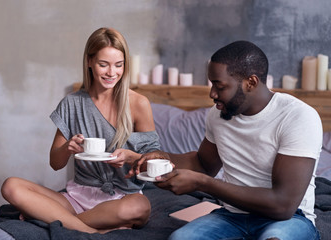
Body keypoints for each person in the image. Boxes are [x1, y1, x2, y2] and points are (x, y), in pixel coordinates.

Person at [128, 41, 322, 240]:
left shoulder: (298, 116)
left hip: (288, 220)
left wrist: (203, 184)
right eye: (212, 84)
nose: (212, 94)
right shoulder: (219, 114)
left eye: (219, 86)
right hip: (232, 216)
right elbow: (203, 165)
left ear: (251, 83)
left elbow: (283, 206)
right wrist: (162, 158)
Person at [1, 27, 160, 234]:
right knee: (10, 186)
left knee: (140, 206)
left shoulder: (139, 103)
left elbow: (154, 162)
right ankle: (92, 231)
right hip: (77, 197)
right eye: (104, 64)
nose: (112, 73)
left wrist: (131, 157)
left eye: (118, 65)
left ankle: (61, 221)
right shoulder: (72, 103)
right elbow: (55, 163)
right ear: (89, 62)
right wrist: (68, 147)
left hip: (120, 200)